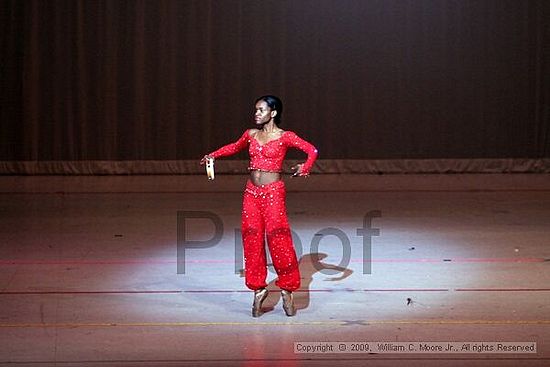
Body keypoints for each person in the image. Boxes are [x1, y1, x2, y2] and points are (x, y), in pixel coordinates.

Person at [200, 95, 318, 317]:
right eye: (255, 110)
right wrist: (213, 155)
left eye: (261, 110)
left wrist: (305, 167)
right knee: (251, 238)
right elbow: (235, 147)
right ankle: (258, 288)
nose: (256, 114)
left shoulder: (285, 137)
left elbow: (312, 150)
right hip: (251, 193)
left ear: (273, 113)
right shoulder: (251, 134)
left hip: (273, 193)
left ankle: (287, 288)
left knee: (279, 239)